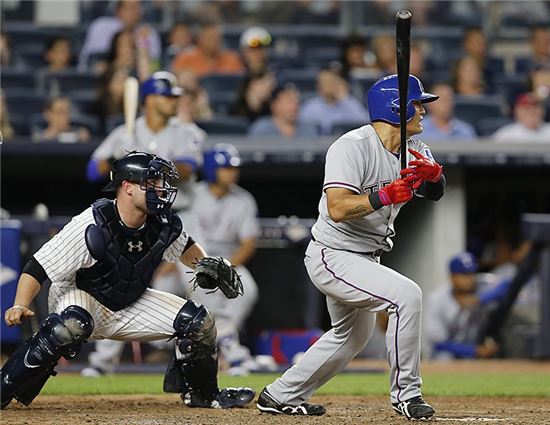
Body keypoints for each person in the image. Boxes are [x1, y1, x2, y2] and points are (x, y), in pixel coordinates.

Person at [0, 151, 255, 410]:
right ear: (128, 187)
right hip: (84, 295)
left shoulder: (163, 222)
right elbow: (38, 266)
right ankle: (2, 388)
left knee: (200, 323)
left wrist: (203, 264)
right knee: (69, 326)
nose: (161, 189)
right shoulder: (92, 223)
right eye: (153, 182)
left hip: (130, 299)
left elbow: (186, 247)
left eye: (161, 182)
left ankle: (203, 394)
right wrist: (20, 303)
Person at [257, 74, 445, 420]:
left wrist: (434, 178)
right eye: (417, 105)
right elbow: (338, 208)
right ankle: (407, 394)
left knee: (351, 337)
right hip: (333, 254)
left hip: (366, 257)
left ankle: (279, 394)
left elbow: (435, 192)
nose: (423, 111)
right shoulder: (351, 146)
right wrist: (384, 195)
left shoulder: (417, 149)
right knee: (407, 296)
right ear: (397, 108)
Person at [188, 144, 260, 374]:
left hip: (228, 258)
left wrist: (227, 267)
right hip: (192, 259)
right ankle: (225, 347)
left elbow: (248, 243)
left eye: (233, 168)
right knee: (163, 285)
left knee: (247, 289)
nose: (232, 172)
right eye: (226, 168)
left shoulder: (243, 199)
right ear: (211, 169)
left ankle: (219, 344)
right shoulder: (191, 196)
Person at [425, 253, 500, 360]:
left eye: (472, 273)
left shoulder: (482, 289)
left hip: (474, 349)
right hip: (448, 354)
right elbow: (438, 343)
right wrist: (474, 351)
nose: (470, 279)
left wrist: (480, 299)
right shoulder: (437, 300)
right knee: (444, 357)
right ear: (452, 277)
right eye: (464, 274)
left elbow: (508, 285)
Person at [78, 0, 161, 71]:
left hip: (136, 74)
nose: (133, 13)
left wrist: (143, 43)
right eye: (129, 8)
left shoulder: (149, 32)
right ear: (118, 10)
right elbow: (94, 60)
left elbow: (155, 65)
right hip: (106, 75)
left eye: (137, 8)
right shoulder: (101, 26)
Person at [299, 68, 369, 135]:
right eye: (325, 82)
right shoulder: (310, 108)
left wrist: (344, 99)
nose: (329, 85)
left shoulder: (349, 103)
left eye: (332, 81)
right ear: (318, 86)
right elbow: (306, 133)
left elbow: (365, 125)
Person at [171, 23, 244, 78]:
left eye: (217, 38)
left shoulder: (232, 59)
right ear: (200, 39)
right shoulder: (185, 59)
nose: (214, 41)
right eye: (209, 38)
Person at [248, 84, 318, 138]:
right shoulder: (261, 130)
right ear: (274, 105)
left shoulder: (308, 130)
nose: (294, 106)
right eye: (289, 102)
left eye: (296, 102)